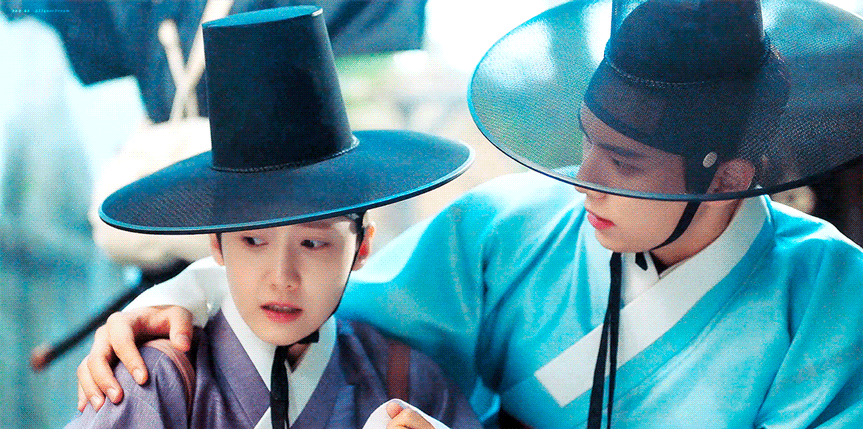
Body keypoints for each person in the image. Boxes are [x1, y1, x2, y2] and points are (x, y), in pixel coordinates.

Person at [76, 1, 863, 427]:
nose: (582, 182)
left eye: (623, 164)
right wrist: (193, 293)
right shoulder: (512, 227)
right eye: (585, 143)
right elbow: (323, 297)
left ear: (727, 177)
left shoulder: (831, 293)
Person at [66, 6, 480, 429]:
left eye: (313, 243)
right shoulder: (154, 380)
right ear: (216, 242)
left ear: (362, 246)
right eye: (253, 240)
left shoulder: (409, 382)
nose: (282, 277)